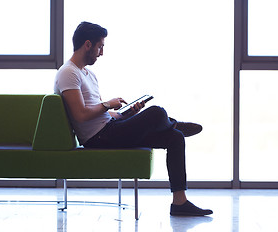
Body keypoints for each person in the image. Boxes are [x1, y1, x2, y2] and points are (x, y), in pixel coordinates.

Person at [54, 21, 213, 216]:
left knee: (176, 138)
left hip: (110, 127)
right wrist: (107, 104)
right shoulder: (68, 73)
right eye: (100, 46)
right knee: (157, 112)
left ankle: (179, 203)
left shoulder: (88, 74)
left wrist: (127, 114)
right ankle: (169, 123)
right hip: (99, 138)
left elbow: (100, 113)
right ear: (88, 44)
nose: (101, 52)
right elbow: (80, 114)